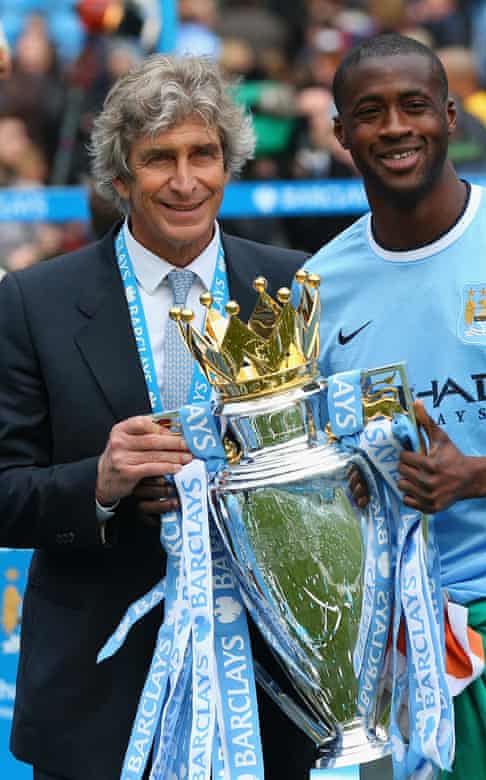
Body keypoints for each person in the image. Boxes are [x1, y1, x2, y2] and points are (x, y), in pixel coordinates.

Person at [0, 54, 315, 780]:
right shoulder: (34, 303)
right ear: (119, 177)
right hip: (98, 694)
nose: (184, 180)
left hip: (263, 692)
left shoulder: (289, 285)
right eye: (158, 160)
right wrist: (100, 485)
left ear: (228, 164)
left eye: (203, 154)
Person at [306, 32, 486, 780]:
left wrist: (479, 476)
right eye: (369, 112)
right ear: (341, 134)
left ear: (452, 115)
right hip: (396, 648)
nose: (396, 127)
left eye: (414, 106)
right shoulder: (316, 290)